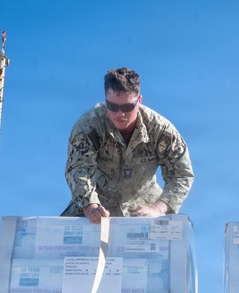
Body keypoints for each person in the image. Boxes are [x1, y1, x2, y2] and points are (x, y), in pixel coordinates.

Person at [62, 67, 194, 222]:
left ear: (139, 101)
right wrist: (90, 205)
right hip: (95, 207)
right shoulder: (89, 127)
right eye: (113, 107)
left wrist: (158, 208)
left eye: (127, 108)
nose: (120, 114)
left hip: (143, 210)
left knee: (172, 236)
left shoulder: (160, 130)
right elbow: (79, 168)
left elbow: (181, 174)